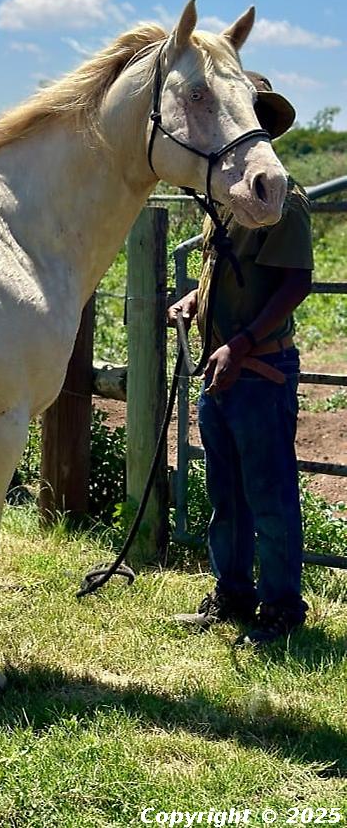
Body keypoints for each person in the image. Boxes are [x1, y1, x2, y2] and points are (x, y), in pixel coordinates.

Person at [169, 72, 313, 646]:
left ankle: (281, 608)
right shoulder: (223, 204)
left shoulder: (286, 200)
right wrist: (193, 300)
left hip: (257, 370)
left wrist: (242, 344)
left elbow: (295, 282)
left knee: (271, 495)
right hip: (222, 370)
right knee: (226, 491)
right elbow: (225, 274)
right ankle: (232, 594)